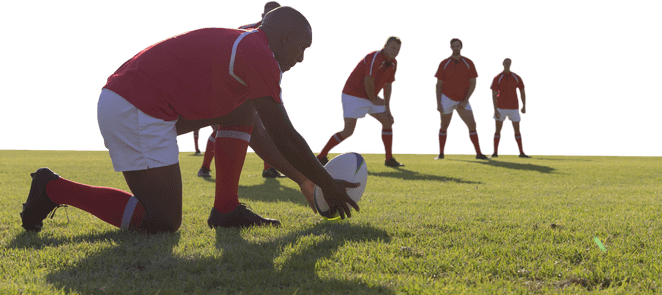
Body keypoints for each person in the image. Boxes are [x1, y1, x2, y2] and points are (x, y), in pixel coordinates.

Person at [20, 6, 358, 234]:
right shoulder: (258, 53)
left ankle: (225, 209)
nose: (302, 57)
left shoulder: (250, 41)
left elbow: (258, 131)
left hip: (144, 103)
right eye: (304, 47)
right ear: (284, 38)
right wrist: (325, 183)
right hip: (133, 108)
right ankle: (52, 188)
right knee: (163, 221)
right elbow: (282, 134)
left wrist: (304, 180)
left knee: (243, 109)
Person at [198, 1, 286, 180]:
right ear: (263, 17)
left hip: (260, 85)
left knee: (266, 125)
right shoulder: (246, 31)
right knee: (224, 126)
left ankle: (269, 169)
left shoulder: (279, 38)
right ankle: (205, 167)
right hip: (236, 85)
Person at [316, 36, 404, 167]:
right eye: (392, 47)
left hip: (370, 97)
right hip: (354, 95)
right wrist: (374, 99)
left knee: (388, 121)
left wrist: (388, 109)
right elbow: (368, 80)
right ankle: (321, 157)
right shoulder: (375, 57)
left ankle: (389, 159)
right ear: (385, 46)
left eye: (398, 49)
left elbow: (388, 86)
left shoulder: (393, 63)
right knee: (348, 131)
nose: (395, 51)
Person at [434, 37, 485, 160]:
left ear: (461, 47)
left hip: (463, 99)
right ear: (450, 47)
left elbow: (473, 83)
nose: (455, 48)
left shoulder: (469, 62)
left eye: (457, 46)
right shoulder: (443, 63)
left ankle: (479, 154)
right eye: (453, 46)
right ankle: (441, 154)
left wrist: (465, 100)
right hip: (446, 98)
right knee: (444, 126)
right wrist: (438, 103)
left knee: (472, 125)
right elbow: (439, 84)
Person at [489, 57, 529, 158]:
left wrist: (524, 106)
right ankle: (494, 153)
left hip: (514, 107)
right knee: (497, 130)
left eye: (509, 63)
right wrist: (495, 109)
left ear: (511, 64)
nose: (507, 65)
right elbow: (493, 95)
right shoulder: (497, 77)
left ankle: (521, 152)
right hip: (500, 107)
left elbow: (522, 91)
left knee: (517, 130)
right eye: (505, 63)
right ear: (502, 63)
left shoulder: (516, 77)